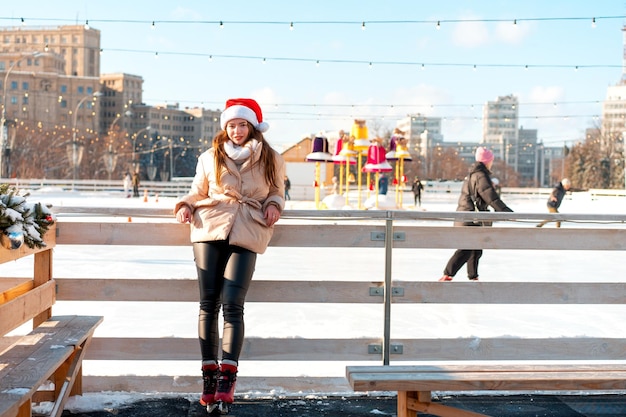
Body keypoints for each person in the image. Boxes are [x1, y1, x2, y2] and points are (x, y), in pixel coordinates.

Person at [174, 98, 285, 413]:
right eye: (231, 125)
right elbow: (198, 190)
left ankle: (227, 378)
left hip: (248, 229)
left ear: (252, 127)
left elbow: (277, 190)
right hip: (209, 227)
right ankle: (208, 375)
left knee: (233, 305)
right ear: (225, 128)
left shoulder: (271, 158)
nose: (237, 131)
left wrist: (274, 205)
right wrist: (185, 204)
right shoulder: (210, 157)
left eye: (242, 125)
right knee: (208, 304)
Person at [439, 147, 513, 282]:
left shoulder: (475, 173)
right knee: (467, 248)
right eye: (491, 161)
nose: (491, 163)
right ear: (487, 161)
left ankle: (473, 277)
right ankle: (447, 274)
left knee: (476, 248)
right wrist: (504, 210)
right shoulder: (480, 175)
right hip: (469, 218)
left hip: (470, 217)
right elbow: (489, 195)